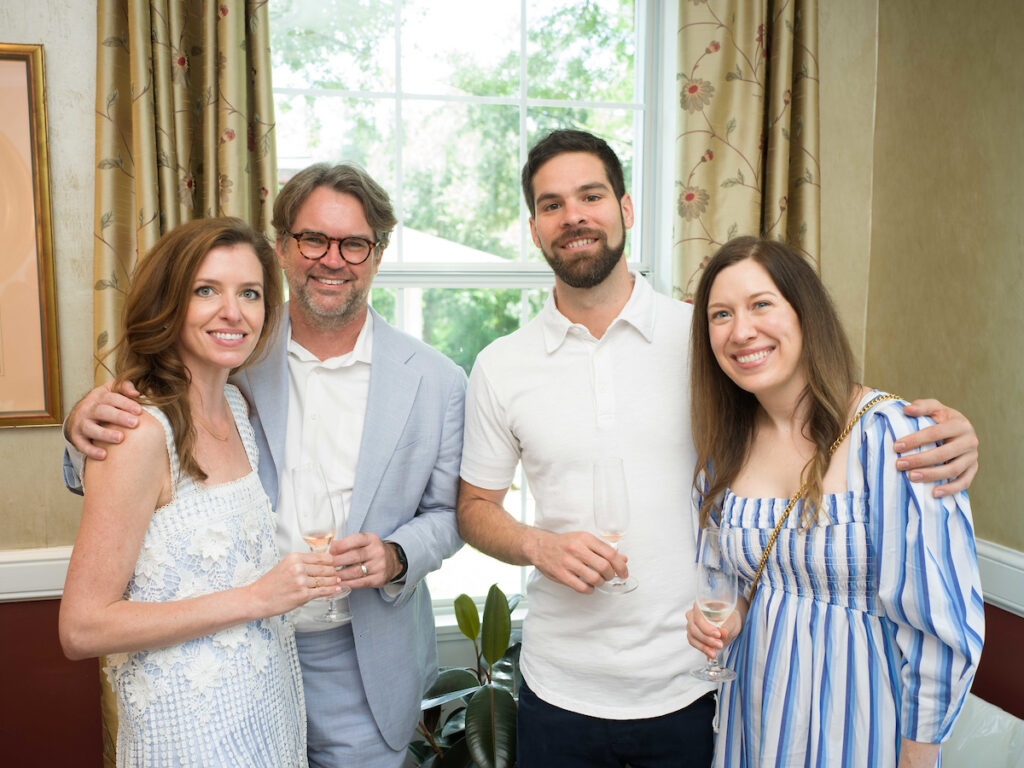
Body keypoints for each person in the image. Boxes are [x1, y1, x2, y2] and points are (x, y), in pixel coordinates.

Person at [456, 130, 981, 767]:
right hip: (562, 685)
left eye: (591, 195)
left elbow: (819, 408)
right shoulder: (500, 366)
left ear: (625, 209)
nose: (574, 216)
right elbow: (474, 507)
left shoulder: (706, 339)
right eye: (551, 204)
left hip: (697, 689)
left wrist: (943, 430)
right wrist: (538, 544)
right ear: (535, 227)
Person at [63, 164, 466, 768]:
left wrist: (398, 554)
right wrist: (80, 431)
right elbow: (135, 441)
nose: (333, 260)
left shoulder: (437, 379)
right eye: (312, 240)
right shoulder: (234, 351)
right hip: (221, 669)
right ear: (282, 247)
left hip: (359, 659)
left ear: (378, 254)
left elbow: (451, 512)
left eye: (354, 243)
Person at [684, 236, 984, 767]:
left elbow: (941, 624)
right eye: (720, 315)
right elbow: (739, 584)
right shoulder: (722, 450)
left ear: (805, 313)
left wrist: (919, 754)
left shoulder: (892, 436)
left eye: (761, 304)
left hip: (862, 730)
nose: (741, 330)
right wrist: (728, 617)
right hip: (752, 724)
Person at [59, 217, 327, 766]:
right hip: (186, 731)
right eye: (206, 290)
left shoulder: (237, 408)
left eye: (249, 293)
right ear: (169, 303)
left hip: (266, 716)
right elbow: (81, 628)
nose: (233, 312)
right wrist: (256, 598)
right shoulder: (137, 431)